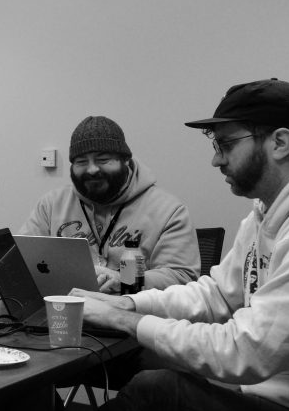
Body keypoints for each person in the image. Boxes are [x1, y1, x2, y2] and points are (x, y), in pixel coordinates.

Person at [0, 78, 289, 411]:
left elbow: (243, 352)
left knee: (157, 390)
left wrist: (125, 316)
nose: (216, 161)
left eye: (225, 145)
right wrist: (128, 304)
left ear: (280, 142)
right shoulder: (262, 216)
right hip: (259, 401)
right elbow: (216, 293)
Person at [20, 115, 198, 292]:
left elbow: (182, 276)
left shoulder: (168, 211)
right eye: (81, 162)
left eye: (102, 160)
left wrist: (126, 279)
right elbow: (21, 259)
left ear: (125, 161)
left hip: (133, 315)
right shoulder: (51, 205)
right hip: (65, 311)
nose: (91, 169)